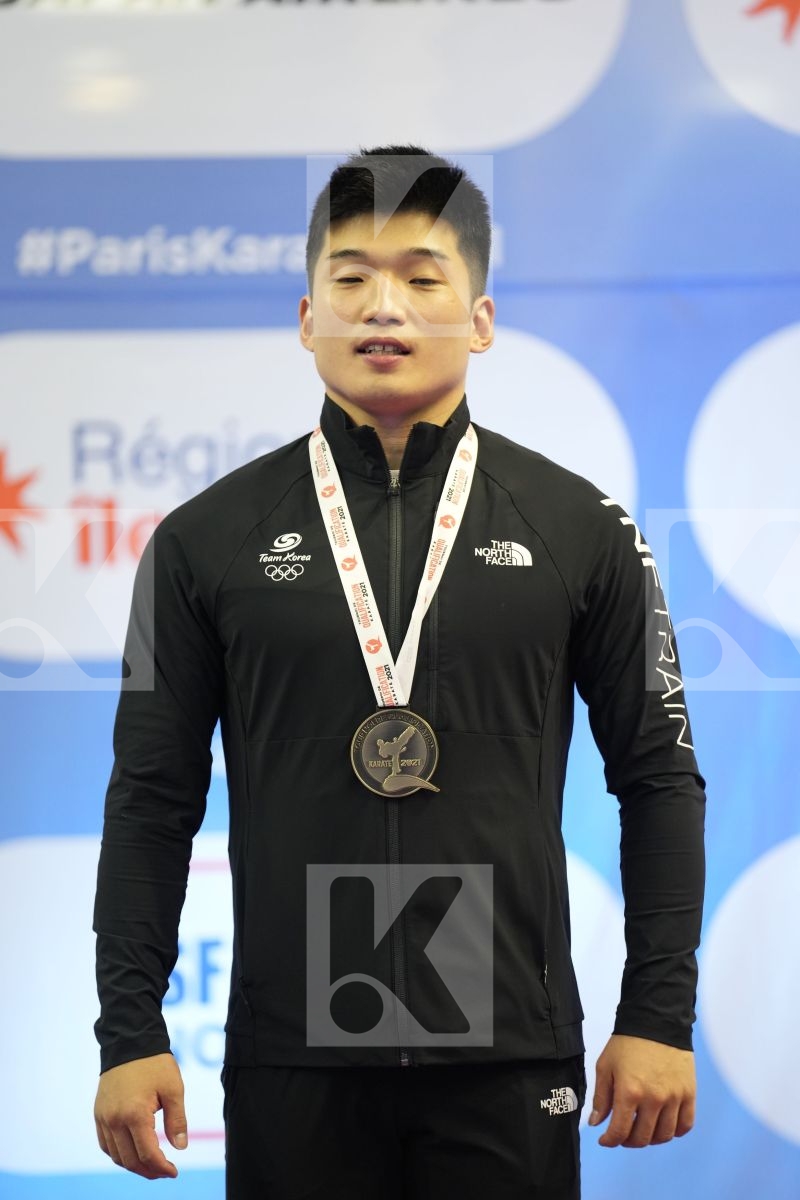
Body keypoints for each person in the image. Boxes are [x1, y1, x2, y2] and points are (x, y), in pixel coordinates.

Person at [93, 147, 706, 1199]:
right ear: (304, 316)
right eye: (350, 278)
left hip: (508, 1049)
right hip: (293, 1055)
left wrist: (654, 1015)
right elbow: (151, 801)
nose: (384, 304)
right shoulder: (202, 541)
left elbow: (658, 780)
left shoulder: (579, 529)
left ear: (477, 318)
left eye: (422, 278)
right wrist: (128, 1030)